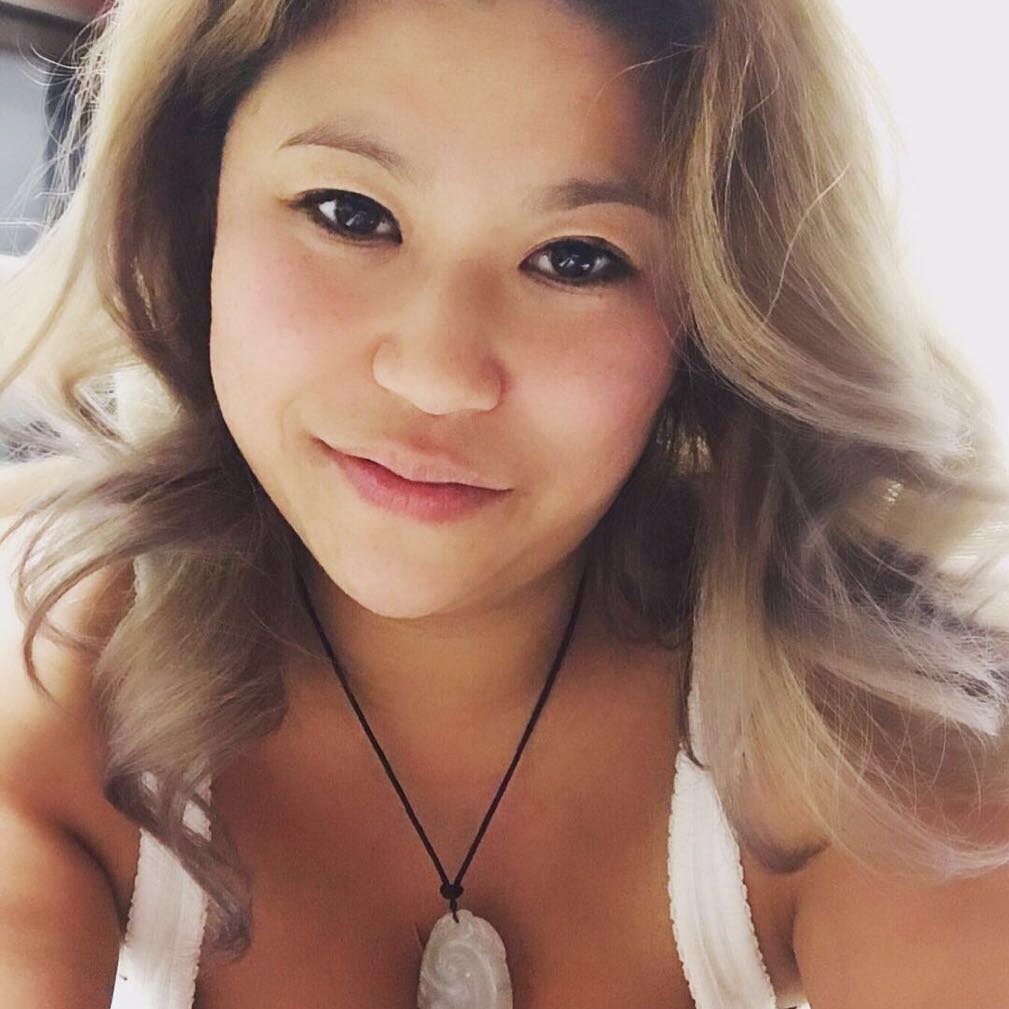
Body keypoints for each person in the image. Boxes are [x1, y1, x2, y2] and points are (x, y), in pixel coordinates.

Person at [1, 0, 1008, 1006]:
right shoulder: (54, 685)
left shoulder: (871, 739)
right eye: (350, 213)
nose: (437, 376)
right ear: (193, 206)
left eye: (576, 259)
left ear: (713, 314)